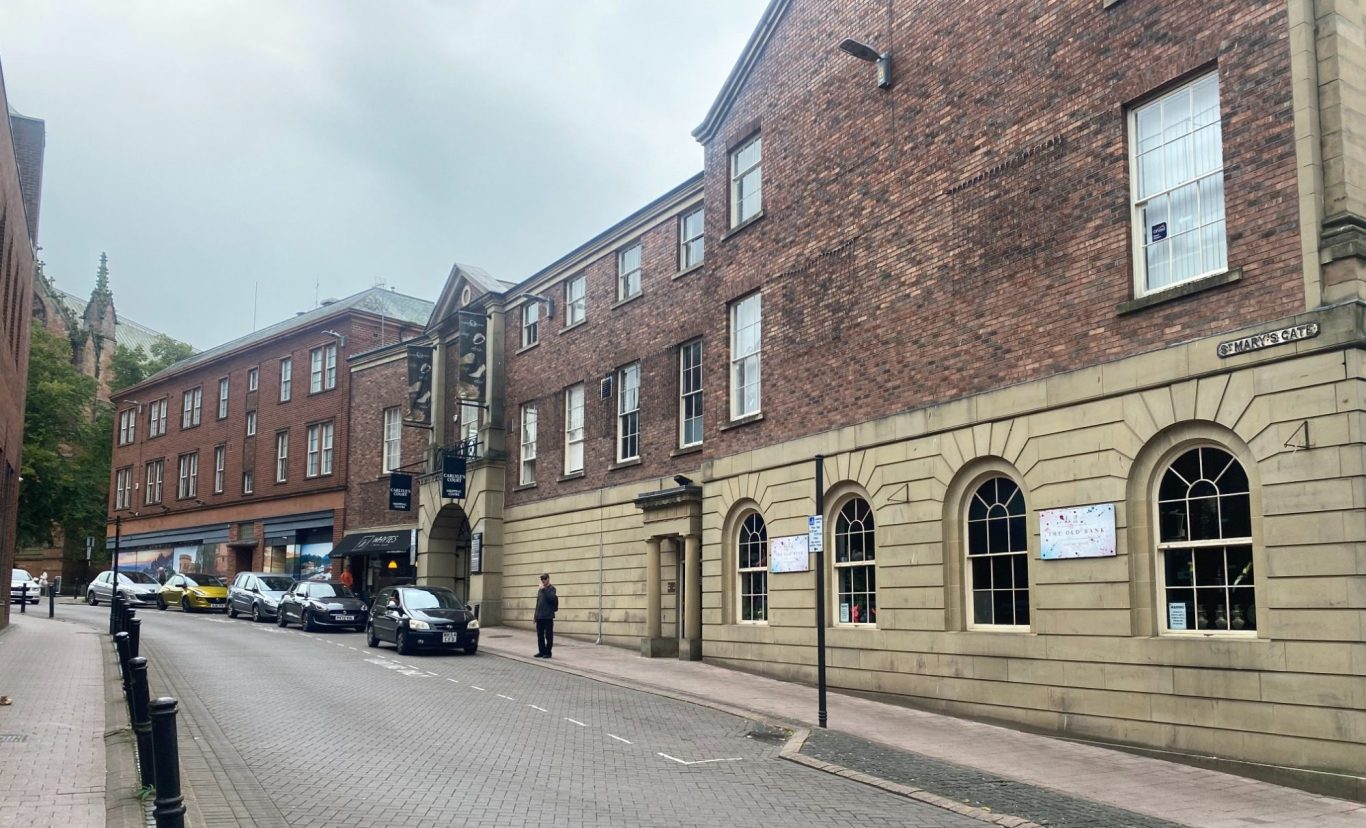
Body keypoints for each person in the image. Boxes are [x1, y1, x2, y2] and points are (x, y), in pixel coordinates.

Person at [534, 572, 558, 659]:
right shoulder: (540, 590)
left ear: (548, 579)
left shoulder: (552, 589)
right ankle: (541, 651)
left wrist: (544, 589)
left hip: (548, 616)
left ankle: (548, 652)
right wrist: (535, 616)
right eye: (542, 579)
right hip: (540, 616)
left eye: (545, 578)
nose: (543, 580)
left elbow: (551, 598)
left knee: (548, 635)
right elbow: (538, 603)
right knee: (540, 635)